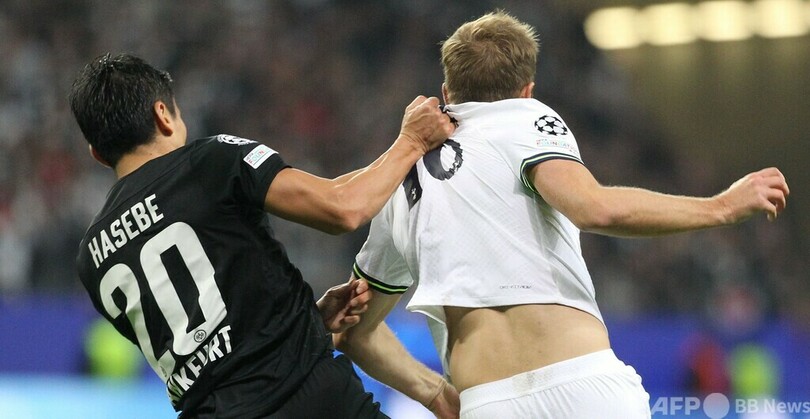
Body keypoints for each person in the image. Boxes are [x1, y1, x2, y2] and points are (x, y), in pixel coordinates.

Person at [333, 10, 790, 419]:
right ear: (527, 90)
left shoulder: (396, 181)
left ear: (447, 92)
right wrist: (721, 206)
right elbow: (595, 208)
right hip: (584, 387)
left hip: (488, 401)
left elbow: (354, 331)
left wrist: (435, 393)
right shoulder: (524, 118)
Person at [69, 53, 455, 418]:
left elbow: (206, 348)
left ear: (96, 153)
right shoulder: (210, 162)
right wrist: (412, 142)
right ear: (163, 115)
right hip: (308, 397)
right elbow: (343, 208)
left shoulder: (92, 258)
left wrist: (308, 319)